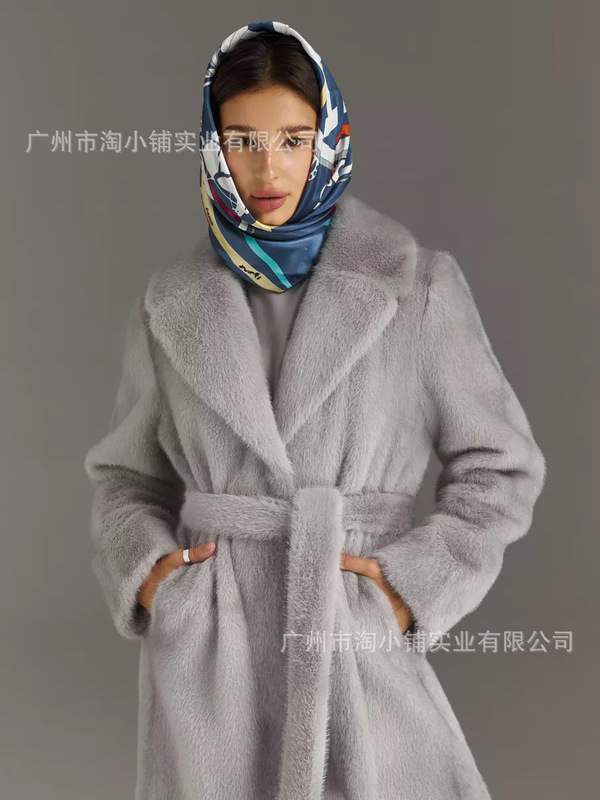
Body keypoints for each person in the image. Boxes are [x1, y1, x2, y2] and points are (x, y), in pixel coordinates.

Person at [84, 20, 547, 800]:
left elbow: (502, 470)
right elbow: (125, 480)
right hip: (214, 663)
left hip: (350, 636)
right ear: (213, 147)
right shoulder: (169, 306)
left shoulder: (417, 287)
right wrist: (158, 582)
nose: (268, 167)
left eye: (294, 140)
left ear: (328, 140)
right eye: (243, 140)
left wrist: (405, 589)